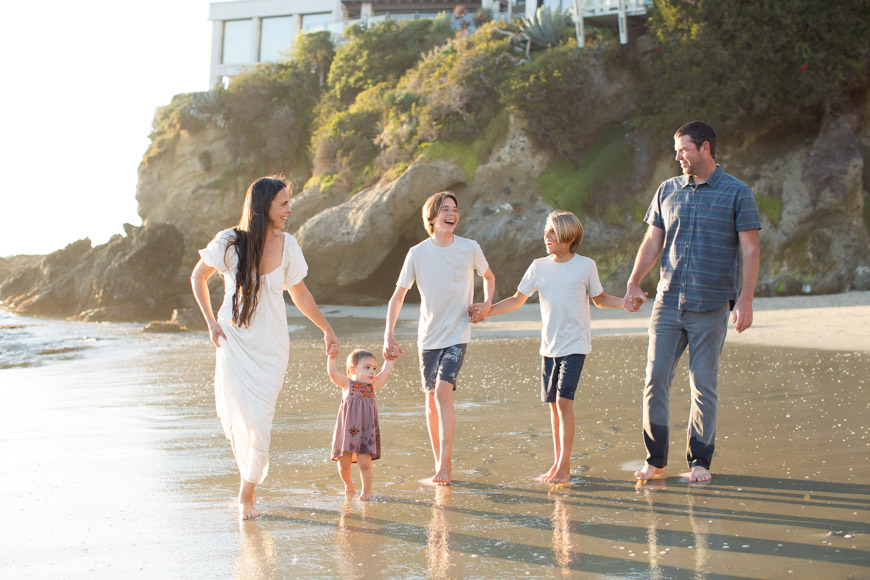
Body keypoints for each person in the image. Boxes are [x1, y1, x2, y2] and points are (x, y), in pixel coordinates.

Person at [191, 176, 339, 519]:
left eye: (289, 202)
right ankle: (247, 490)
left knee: (260, 420)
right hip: (234, 341)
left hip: (271, 346)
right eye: (283, 203)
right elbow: (198, 277)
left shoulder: (288, 245)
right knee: (238, 413)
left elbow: (300, 293)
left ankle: (247, 489)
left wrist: (326, 328)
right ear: (263, 207)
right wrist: (210, 321)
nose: (290, 209)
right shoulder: (228, 242)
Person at [624, 121, 761, 483]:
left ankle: (699, 462)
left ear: (705, 148)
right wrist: (634, 282)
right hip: (668, 304)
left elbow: (750, 250)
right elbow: (652, 241)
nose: (678, 156)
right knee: (655, 381)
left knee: (703, 386)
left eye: (684, 149)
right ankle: (655, 460)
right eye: (676, 151)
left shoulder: (738, 192)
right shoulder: (667, 190)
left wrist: (745, 300)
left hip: (712, 304)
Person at [474, 211, 624, 484]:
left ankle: (565, 467)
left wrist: (626, 302)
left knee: (565, 401)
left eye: (553, 232)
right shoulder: (538, 266)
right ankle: (557, 463)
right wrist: (486, 311)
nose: (547, 236)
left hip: (575, 345)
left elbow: (600, 300)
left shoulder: (586, 265)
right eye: (546, 231)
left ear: (569, 235)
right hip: (549, 348)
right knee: (554, 405)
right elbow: (516, 300)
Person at [383, 191, 495, 485]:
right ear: (431, 218)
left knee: (443, 393)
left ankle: (445, 466)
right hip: (428, 337)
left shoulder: (469, 248)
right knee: (431, 400)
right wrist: (389, 335)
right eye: (445, 209)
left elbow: (489, 276)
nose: (452, 214)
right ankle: (438, 463)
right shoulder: (417, 253)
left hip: (458, 334)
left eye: (455, 209)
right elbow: (398, 296)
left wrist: (485, 304)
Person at [327, 347, 394, 501]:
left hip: (366, 434)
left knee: (365, 463)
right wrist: (331, 356)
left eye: (374, 368)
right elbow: (332, 373)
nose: (372, 372)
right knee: (344, 463)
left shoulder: (372, 386)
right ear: (353, 370)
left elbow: (385, 373)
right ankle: (348, 483)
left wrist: (390, 360)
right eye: (367, 367)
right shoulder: (347, 384)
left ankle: (366, 491)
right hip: (347, 432)